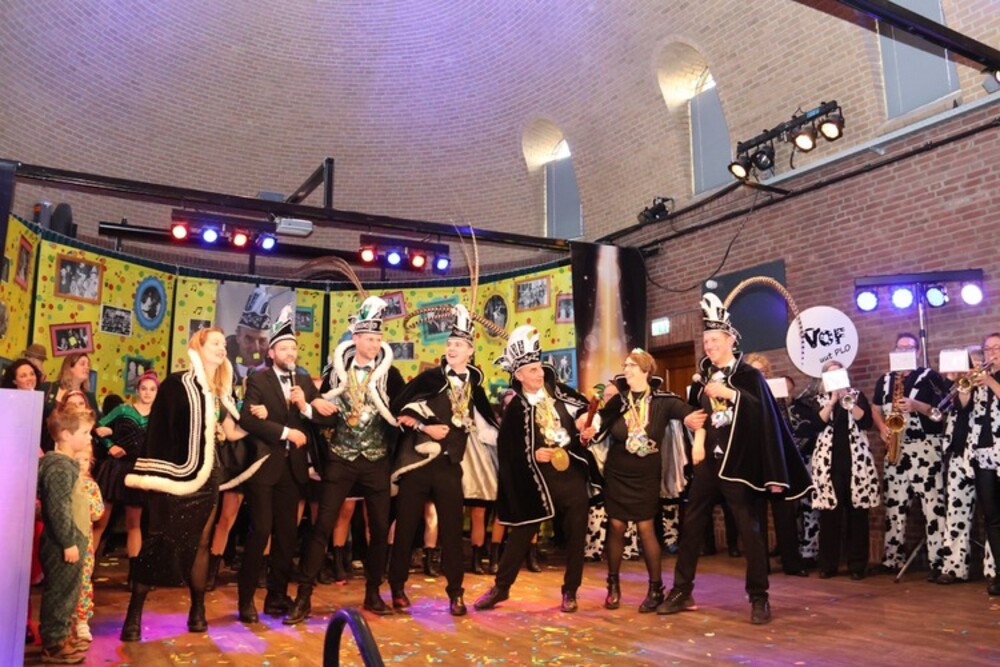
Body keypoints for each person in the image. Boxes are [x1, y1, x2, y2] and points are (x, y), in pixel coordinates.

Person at [658, 293, 811, 625]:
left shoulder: (748, 376)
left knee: (749, 530)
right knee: (692, 525)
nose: (709, 346)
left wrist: (730, 394)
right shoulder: (704, 378)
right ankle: (682, 590)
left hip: (739, 466)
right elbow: (700, 415)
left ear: (730, 340)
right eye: (706, 341)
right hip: (709, 464)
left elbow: (763, 414)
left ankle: (759, 596)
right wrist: (698, 441)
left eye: (715, 340)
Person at [120, 327, 247, 641]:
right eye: (215, 343)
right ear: (198, 347)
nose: (222, 348)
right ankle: (134, 613)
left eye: (224, 344)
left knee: (201, 542)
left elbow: (232, 431)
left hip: (209, 477)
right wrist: (157, 476)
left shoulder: (222, 392)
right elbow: (160, 431)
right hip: (176, 477)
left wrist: (264, 422)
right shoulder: (177, 384)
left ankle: (198, 609)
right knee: (157, 540)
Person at [284, 296, 404, 623]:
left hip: (376, 459)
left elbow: (402, 408)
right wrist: (310, 407)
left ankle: (373, 592)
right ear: (355, 339)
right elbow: (325, 411)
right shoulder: (337, 373)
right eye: (369, 339)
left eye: (378, 339)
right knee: (322, 525)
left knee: (379, 528)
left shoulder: (390, 374)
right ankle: (303, 597)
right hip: (342, 457)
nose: (375, 344)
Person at [475, 325, 596, 613]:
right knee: (521, 533)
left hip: (570, 473)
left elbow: (583, 411)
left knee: (576, 533)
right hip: (537, 480)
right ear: (518, 375)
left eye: (539, 367)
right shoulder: (516, 409)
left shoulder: (558, 393)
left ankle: (570, 591)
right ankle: (501, 588)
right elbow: (508, 450)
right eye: (532, 370)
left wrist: (585, 425)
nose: (539, 374)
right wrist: (533, 454)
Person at [388, 305, 500, 616]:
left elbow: (488, 428)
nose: (452, 348)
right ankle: (396, 587)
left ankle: (455, 593)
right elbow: (400, 411)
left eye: (458, 344)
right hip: (418, 465)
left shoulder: (474, 388)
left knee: (451, 531)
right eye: (449, 344)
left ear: (470, 351)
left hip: (450, 466)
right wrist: (425, 427)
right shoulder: (429, 378)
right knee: (406, 526)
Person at [236, 307, 337, 623]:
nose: (290, 353)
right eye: (283, 348)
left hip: (293, 470)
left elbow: (324, 418)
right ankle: (245, 599)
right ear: (271, 352)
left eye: (293, 348)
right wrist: (285, 432)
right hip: (264, 466)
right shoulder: (258, 379)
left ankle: (276, 597)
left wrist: (304, 406)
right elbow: (247, 418)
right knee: (260, 530)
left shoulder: (304, 380)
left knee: (286, 534)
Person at [592, 349, 705, 612]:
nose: (627, 369)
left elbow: (693, 416)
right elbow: (599, 427)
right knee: (616, 526)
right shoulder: (618, 401)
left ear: (646, 370)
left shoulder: (663, 401)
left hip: (646, 475)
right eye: (625, 365)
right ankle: (613, 585)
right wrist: (589, 429)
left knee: (646, 528)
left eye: (632, 365)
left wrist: (694, 428)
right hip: (617, 474)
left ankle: (655, 589)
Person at [870, 333, 947, 579]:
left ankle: (939, 561)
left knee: (933, 506)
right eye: (900, 347)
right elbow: (875, 408)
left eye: (909, 347)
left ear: (918, 352)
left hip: (925, 447)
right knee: (894, 505)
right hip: (896, 448)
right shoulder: (885, 380)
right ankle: (892, 558)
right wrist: (882, 427)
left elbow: (941, 412)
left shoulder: (930, 377)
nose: (904, 351)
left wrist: (916, 405)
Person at [37, 403, 95, 664]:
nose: (89, 438)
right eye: (84, 432)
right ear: (65, 435)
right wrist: (68, 542)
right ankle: (53, 643)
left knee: (69, 592)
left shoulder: (66, 465)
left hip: (72, 539)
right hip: (63, 543)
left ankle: (61, 635)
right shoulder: (59, 467)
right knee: (60, 593)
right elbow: (58, 508)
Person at [810, 360, 879, 579]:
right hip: (828, 465)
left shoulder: (856, 396)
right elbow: (816, 425)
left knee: (857, 514)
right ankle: (827, 565)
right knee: (830, 515)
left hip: (856, 463)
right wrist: (832, 401)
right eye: (830, 373)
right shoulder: (819, 400)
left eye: (838, 372)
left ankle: (857, 566)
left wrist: (848, 401)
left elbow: (866, 422)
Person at [744, 352, 809, 576]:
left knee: (785, 513)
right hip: (755, 460)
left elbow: (787, 428)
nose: (759, 375)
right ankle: (761, 565)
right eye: (755, 371)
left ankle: (792, 562)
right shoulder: (742, 395)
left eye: (762, 371)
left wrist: (784, 402)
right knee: (757, 516)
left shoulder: (776, 393)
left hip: (777, 458)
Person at [92, 372, 159, 579]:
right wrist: (110, 445)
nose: (147, 393)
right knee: (100, 522)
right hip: (115, 469)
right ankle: (85, 570)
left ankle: (135, 575)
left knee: (134, 524)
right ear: (137, 390)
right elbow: (97, 428)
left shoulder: (158, 416)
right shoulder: (123, 410)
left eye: (152, 389)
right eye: (144, 388)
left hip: (138, 470)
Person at [950, 334, 1000, 595]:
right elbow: (963, 408)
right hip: (983, 454)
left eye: (996, 348)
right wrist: (965, 387)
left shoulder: (990, 379)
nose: (991, 353)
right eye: (987, 349)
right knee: (992, 517)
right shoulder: (979, 379)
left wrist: (990, 381)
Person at [72, 443, 104, 644]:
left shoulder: (91, 487)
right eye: (78, 460)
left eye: (86, 460)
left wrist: (84, 499)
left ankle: (82, 620)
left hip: (85, 542)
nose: (82, 464)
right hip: (66, 540)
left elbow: (97, 513)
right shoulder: (65, 483)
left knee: (84, 580)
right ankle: (64, 622)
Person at [40, 353, 99, 452]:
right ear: (69, 368)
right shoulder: (47, 389)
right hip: (46, 449)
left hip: (77, 452)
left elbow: (96, 424)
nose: (87, 367)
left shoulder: (89, 397)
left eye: (88, 364)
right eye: (82, 364)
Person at [227, 285, 273, 383]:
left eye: (262, 341)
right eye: (249, 339)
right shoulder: (221, 370)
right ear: (238, 336)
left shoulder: (277, 374)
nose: (256, 348)